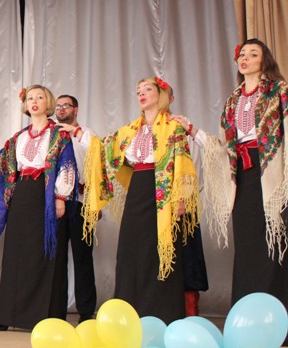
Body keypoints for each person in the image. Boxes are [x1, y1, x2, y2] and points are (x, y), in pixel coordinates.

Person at [174, 39, 288, 329]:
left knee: (273, 246)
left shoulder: (278, 91)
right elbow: (224, 148)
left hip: (273, 177)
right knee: (248, 248)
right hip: (244, 178)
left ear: (264, 60)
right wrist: (192, 130)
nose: (245, 58)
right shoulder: (232, 101)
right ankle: (248, 321)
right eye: (243, 54)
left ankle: (275, 322)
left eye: (253, 54)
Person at [80, 77, 199, 324]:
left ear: (161, 94)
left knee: (159, 249)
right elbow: (104, 149)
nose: (141, 94)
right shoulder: (130, 130)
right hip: (138, 189)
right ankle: (129, 314)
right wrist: (81, 134)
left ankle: (162, 315)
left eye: (147, 89)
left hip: (163, 192)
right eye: (138, 91)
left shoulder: (174, 126)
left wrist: (180, 198)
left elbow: (183, 162)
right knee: (130, 249)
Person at [0, 84, 77, 331]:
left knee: (45, 252)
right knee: (17, 251)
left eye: (39, 97)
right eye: (30, 98)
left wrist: (60, 197)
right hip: (22, 194)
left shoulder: (59, 134)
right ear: (25, 105)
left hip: (45, 194)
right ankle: (10, 315)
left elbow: (67, 166)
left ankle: (45, 316)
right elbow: (3, 164)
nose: (34, 101)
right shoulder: (18, 137)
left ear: (48, 103)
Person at [54, 94, 97, 323]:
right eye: (58, 106)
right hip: (56, 204)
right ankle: (55, 311)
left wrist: (95, 203)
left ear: (76, 109)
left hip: (82, 203)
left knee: (83, 258)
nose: (61, 109)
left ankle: (86, 312)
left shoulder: (86, 134)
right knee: (56, 259)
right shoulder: (51, 135)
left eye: (66, 105)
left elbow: (97, 166)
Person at [166, 86, 209, 316]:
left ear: (171, 98)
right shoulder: (142, 128)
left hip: (182, 200)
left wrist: (183, 195)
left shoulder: (181, 125)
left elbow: (193, 162)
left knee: (187, 255)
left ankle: (190, 310)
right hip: (156, 202)